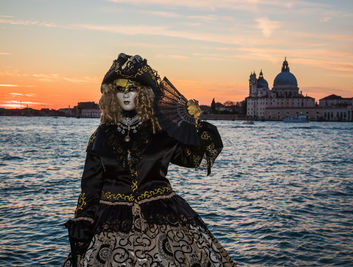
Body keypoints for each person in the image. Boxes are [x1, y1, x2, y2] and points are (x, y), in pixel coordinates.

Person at [63, 53, 235, 266]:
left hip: (163, 219)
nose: (125, 95)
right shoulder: (100, 137)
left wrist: (194, 123)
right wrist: (83, 219)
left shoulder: (162, 132)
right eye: (119, 89)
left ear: (143, 93)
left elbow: (193, 157)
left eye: (132, 89)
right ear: (111, 94)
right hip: (110, 221)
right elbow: (90, 187)